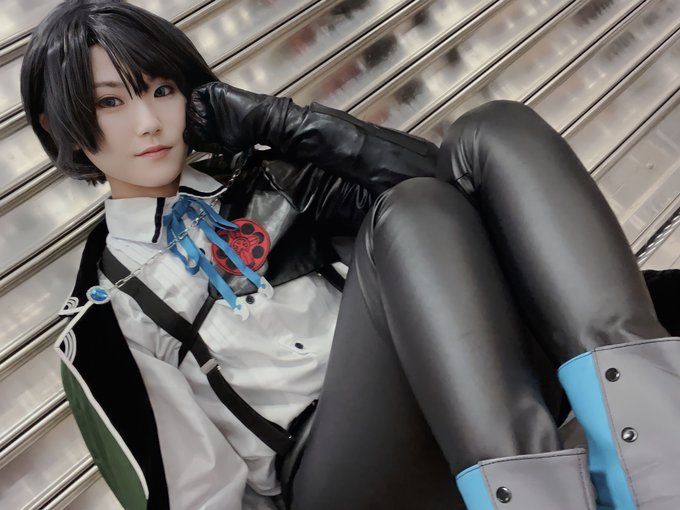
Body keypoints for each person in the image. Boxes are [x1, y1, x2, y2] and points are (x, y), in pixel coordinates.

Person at [20, 1, 680, 509]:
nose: (147, 122)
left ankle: (655, 466)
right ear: (60, 126)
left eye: (160, 90)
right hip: (339, 478)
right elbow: (204, 496)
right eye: (111, 102)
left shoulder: (264, 179)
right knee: (410, 213)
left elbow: (460, 196)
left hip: (458, 387)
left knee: (492, 130)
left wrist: (281, 124)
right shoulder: (111, 310)